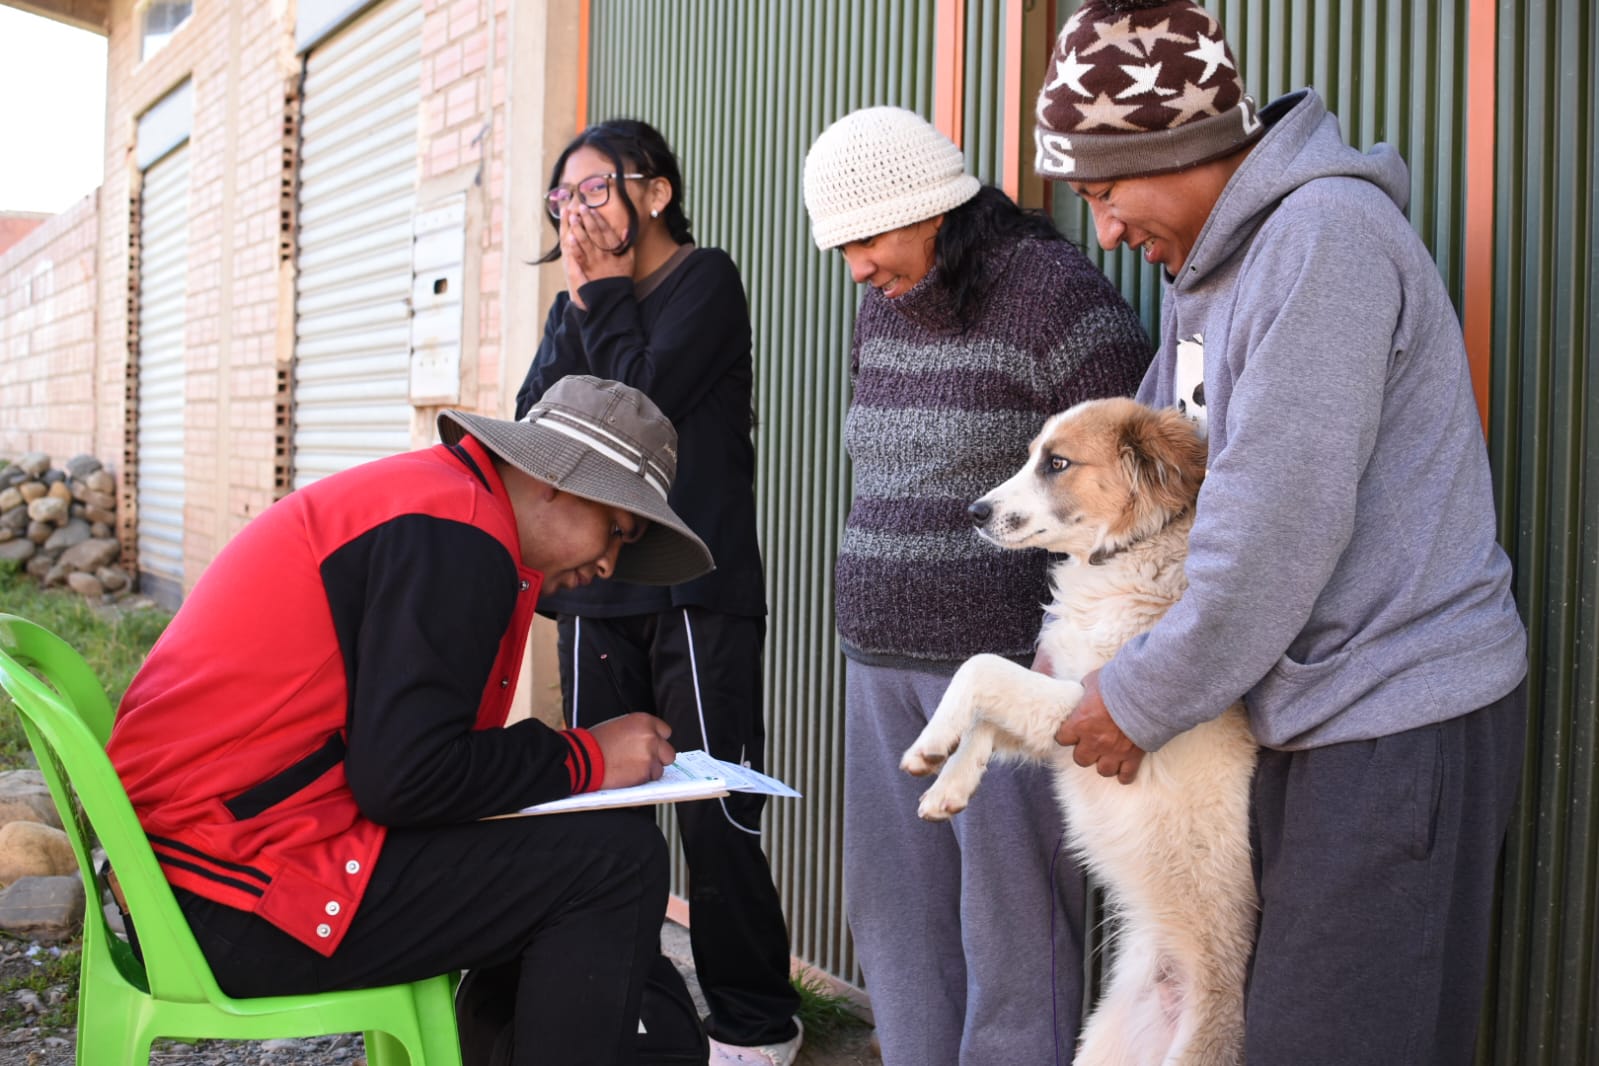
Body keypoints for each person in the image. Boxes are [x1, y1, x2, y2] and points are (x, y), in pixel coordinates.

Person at [1031, 1, 1529, 1063]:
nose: (1105, 229)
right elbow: (1174, 500)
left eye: (1105, 189)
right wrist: (1089, 651)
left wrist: (1139, 694)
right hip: (1307, 713)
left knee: (1335, 1039)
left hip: (1398, 716)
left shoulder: (1323, 243)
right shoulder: (1213, 275)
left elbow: (1270, 536)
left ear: (1181, 147)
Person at [106, 375, 717, 1066]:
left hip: (191, 872)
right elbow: (405, 780)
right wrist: (585, 758)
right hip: (229, 898)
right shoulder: (456, 536)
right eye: (616, 531)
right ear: (557, 481)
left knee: (578, 848)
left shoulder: (439, 504)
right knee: (617, 864)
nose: (610, 564)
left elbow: (413, 767)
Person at [801, 105, 1152, 1065]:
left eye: (868, 239)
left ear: (933, 210)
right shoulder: (884, 299)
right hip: (877, 654)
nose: (857, 267)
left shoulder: (1055, 299)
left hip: (1004, 663)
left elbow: (1128, 496)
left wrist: (1077, 650)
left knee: (1013, 927)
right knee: (896, 913)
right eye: (842, 247)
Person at [514, 119, 804, 1066]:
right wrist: (585, 303)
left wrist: (596, 297)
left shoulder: (705, 281)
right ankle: (631, 1016)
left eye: (595, 191)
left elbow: (639, 409)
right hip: (597, 595)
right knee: (605, 818)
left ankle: (756, 1023)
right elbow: (540, 429)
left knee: (714, 814)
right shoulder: (575, 306)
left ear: (656, 192)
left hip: (696, 589)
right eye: (563, 200)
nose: (578, 214)